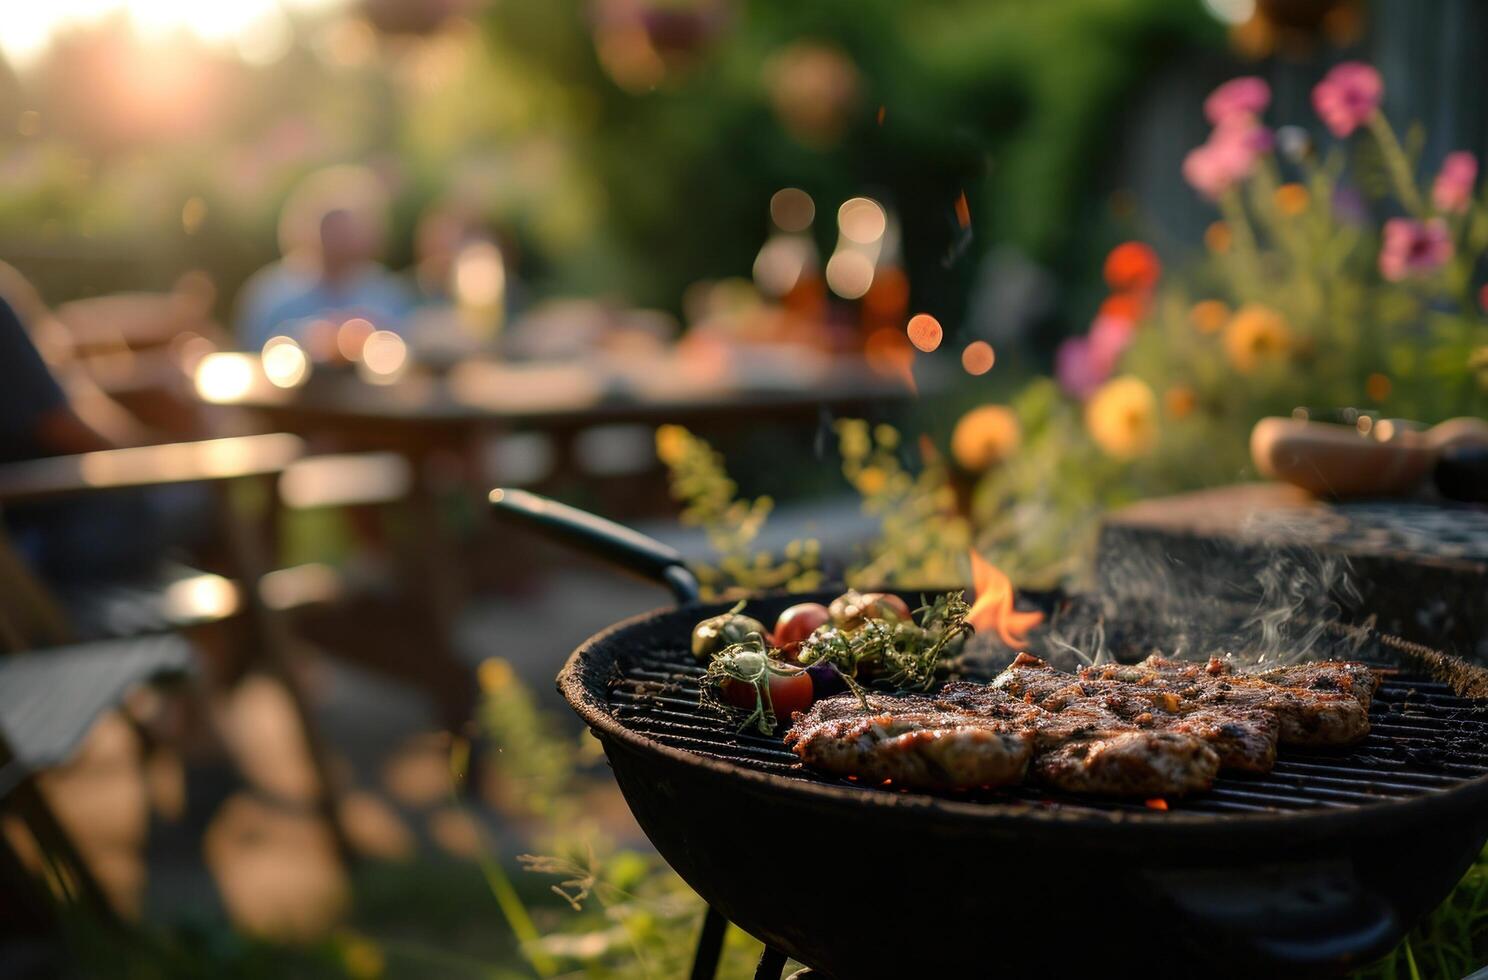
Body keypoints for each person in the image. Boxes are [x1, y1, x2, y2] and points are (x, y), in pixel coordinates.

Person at [236, 166, 414, 351]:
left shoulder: (386, 294)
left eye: (347, 227)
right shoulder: (272, 295)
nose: (339, 236)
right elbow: (253, 352)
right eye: (331, 226)